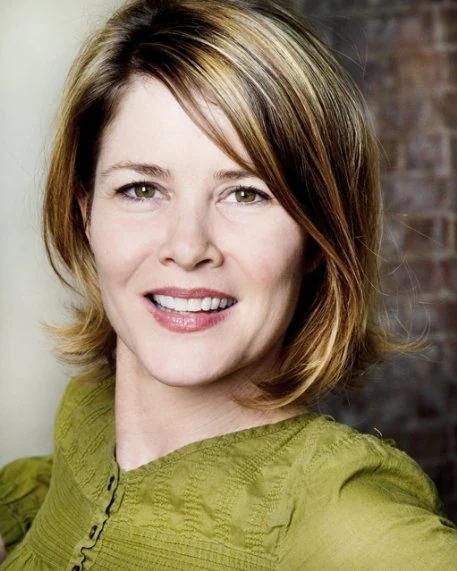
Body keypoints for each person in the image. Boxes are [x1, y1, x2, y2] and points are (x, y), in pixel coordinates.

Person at [1, 0, 456, 568]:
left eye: (246, 193)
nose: (188, 247)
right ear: (85, 212)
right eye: (142, 189)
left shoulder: (342, 517)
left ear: (318, 238)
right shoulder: (88, 410)